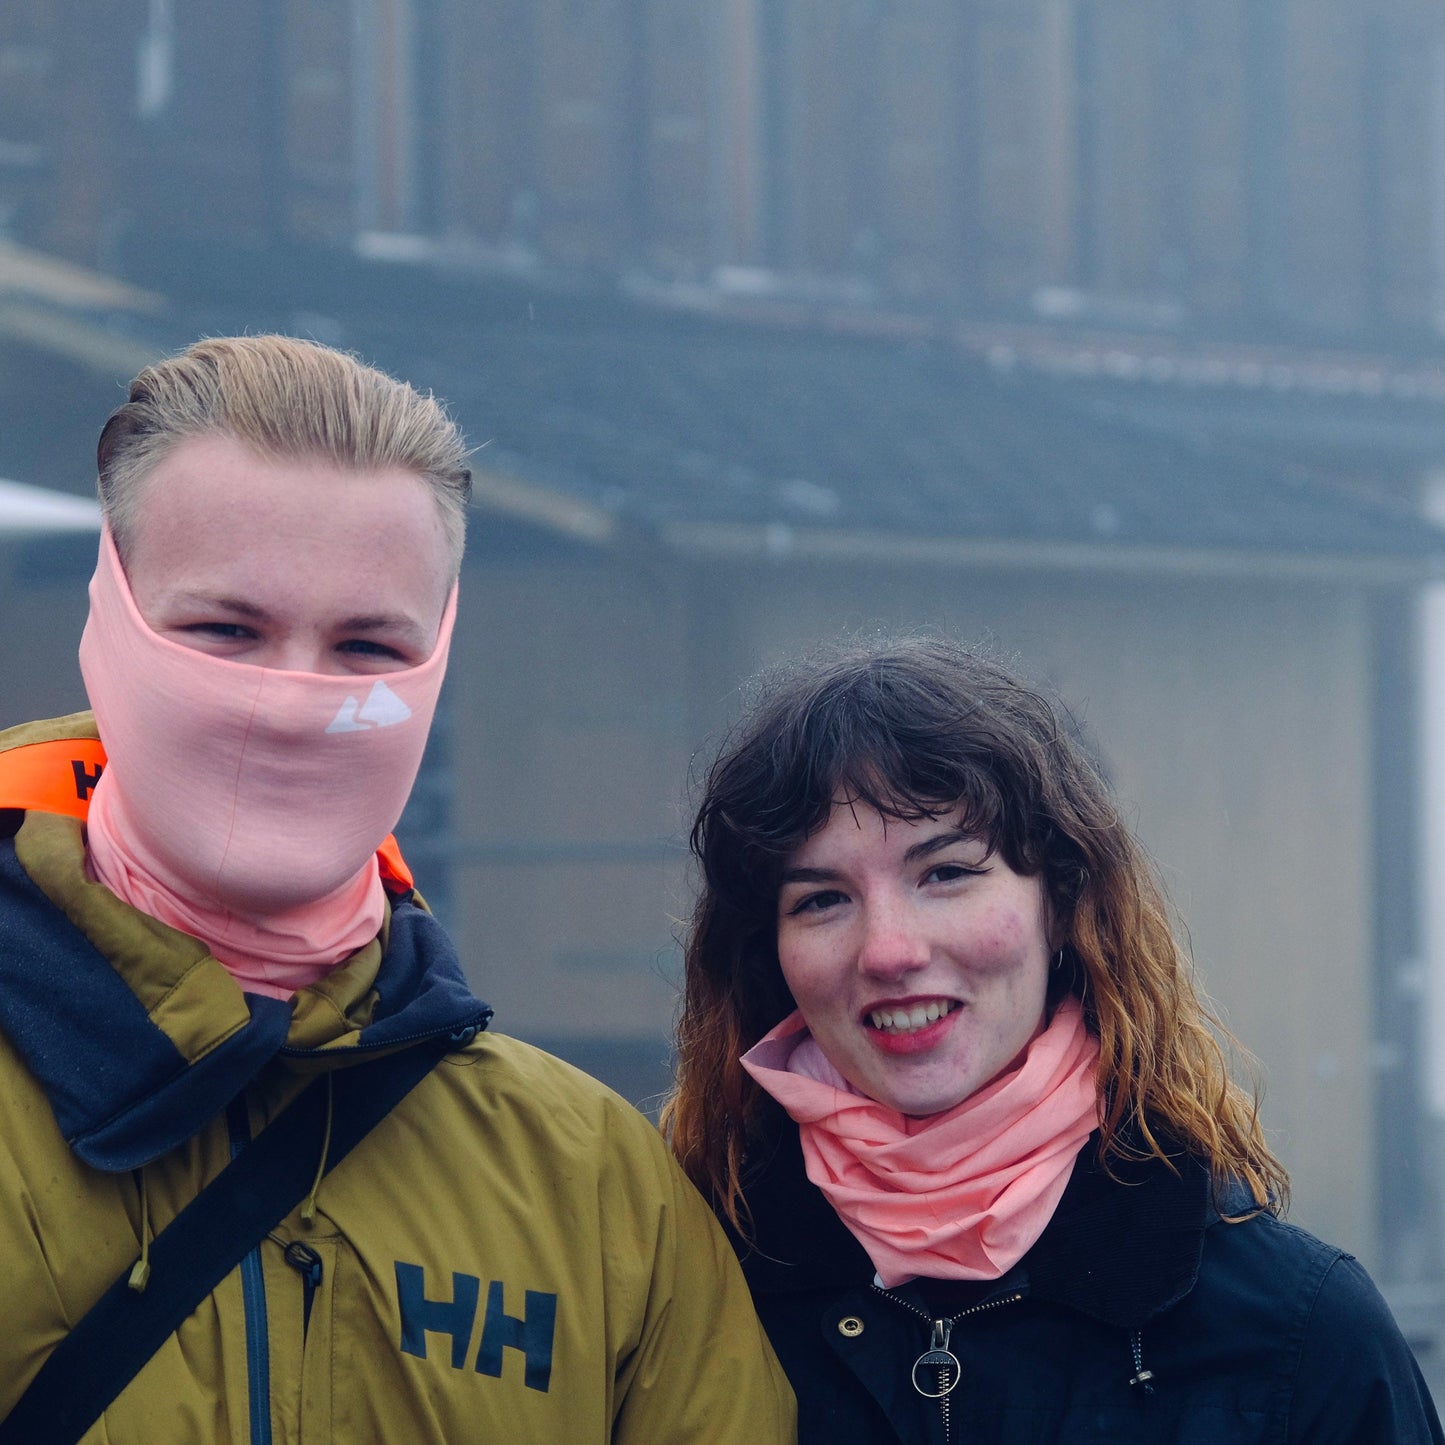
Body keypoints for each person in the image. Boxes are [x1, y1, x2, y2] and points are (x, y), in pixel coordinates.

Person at [0, 335, 794, 1443]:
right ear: (110, 618)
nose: (290, 698)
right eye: (225, 629)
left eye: (367, 644)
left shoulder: (595, 1186)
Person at [663, 636, 1441, 1444]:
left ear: (1062, 900)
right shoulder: (683, 1291)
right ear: (769, 956)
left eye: (946, 871)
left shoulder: (1299, 1336)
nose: (887, 949)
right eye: (821, 898)